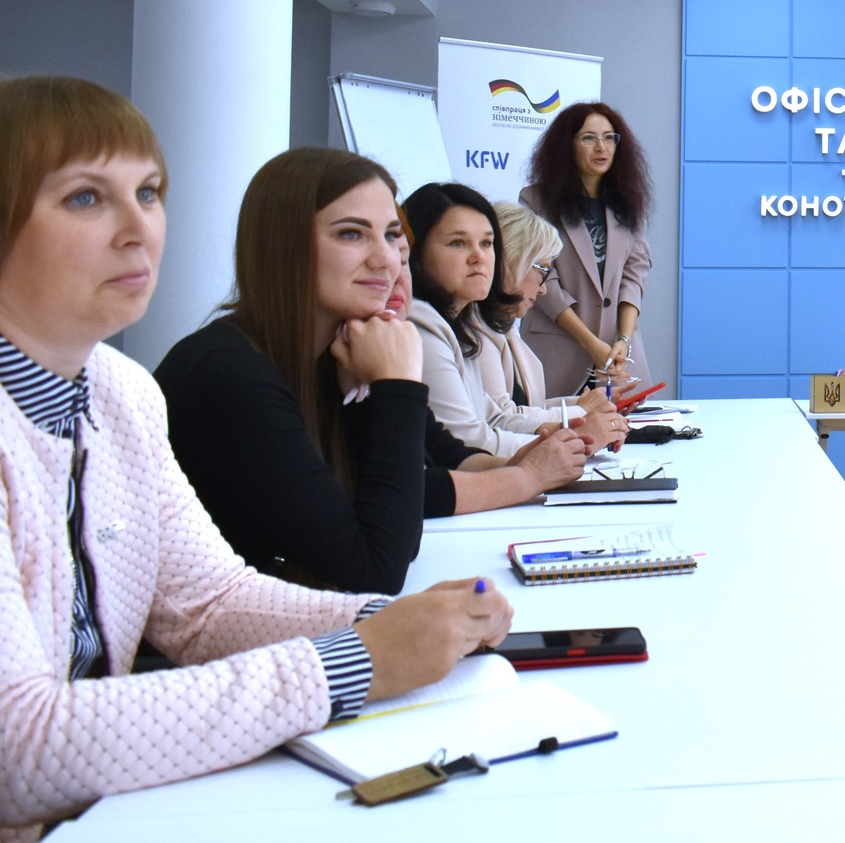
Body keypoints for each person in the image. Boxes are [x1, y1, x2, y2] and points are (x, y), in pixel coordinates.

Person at [0, 77, 513, 837]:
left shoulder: (122, 393)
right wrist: (355, 659)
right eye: (85, 198)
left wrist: (399, 622)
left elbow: (207, 604)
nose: (138, 229)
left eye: (148, 193)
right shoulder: (219, 370)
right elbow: (18, 747)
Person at [158, 149, 590, 595]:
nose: (387, 260)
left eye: (392, 238)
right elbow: (376, 565)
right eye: (352, 234)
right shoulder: (231, 375)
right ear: (282, 245)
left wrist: (526, 469)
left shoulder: (332, 357)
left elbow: (400, 502)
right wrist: (396, 385)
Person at [403, 183, 623, 456]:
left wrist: (575, 422)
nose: (479, 257)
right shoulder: (423, 326)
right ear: (415, 253)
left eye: (486, 244)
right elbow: (467, 442)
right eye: (457, 243)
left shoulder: (456, 325)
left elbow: (493, 418)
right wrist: (578, 436)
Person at [520, 102, 654, 400]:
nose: (601, 147)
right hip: (557, 352)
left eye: (609, 137)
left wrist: (624, 340)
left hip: (619, 356)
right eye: (588, 138)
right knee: (554, 425)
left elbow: (635, 275)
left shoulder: (629, 201)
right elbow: (544, 281)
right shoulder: (536, 200)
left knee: (632, 427)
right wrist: (591, 343)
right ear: (566, 145)